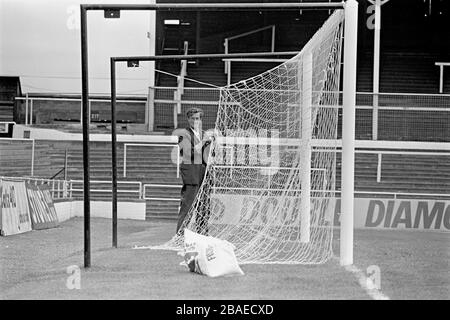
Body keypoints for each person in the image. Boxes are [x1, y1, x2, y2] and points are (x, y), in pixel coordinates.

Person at [176, 107, 213, 235]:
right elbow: (188, 153)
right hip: (191, 174)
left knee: (204, 207)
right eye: (193, 118)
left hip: (204, 174)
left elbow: (207, 155)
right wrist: (203, 142)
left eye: (198, 118)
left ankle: (202, 234)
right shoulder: (183, 134)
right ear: (188, 119)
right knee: (188, 206)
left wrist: (212, 143)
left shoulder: (204, 134)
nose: (195, 121)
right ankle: (180, 236)